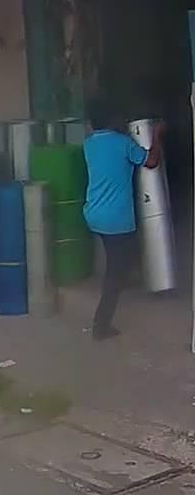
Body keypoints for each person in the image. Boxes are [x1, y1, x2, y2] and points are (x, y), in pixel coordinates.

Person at [82, 98, 164, 341]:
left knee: (121, 255)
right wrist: (156, 135)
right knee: (115, 271)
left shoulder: (89, 144)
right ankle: (101, 325)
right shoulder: (123, 143)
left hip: (94, 213)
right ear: (113, 119)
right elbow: (151, 161)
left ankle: (122, 277)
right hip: (115, 218)